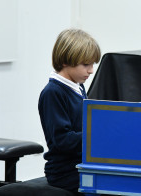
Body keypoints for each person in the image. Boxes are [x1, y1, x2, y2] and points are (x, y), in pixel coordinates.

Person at [38, 29, 101, 195]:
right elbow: (62, 140)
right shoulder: (53, 92)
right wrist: (98, 135)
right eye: (86, 65)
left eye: (92, 64)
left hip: (80, 163)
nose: (91, 70)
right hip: (64, 171)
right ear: (66, 61)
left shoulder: (78, 86)